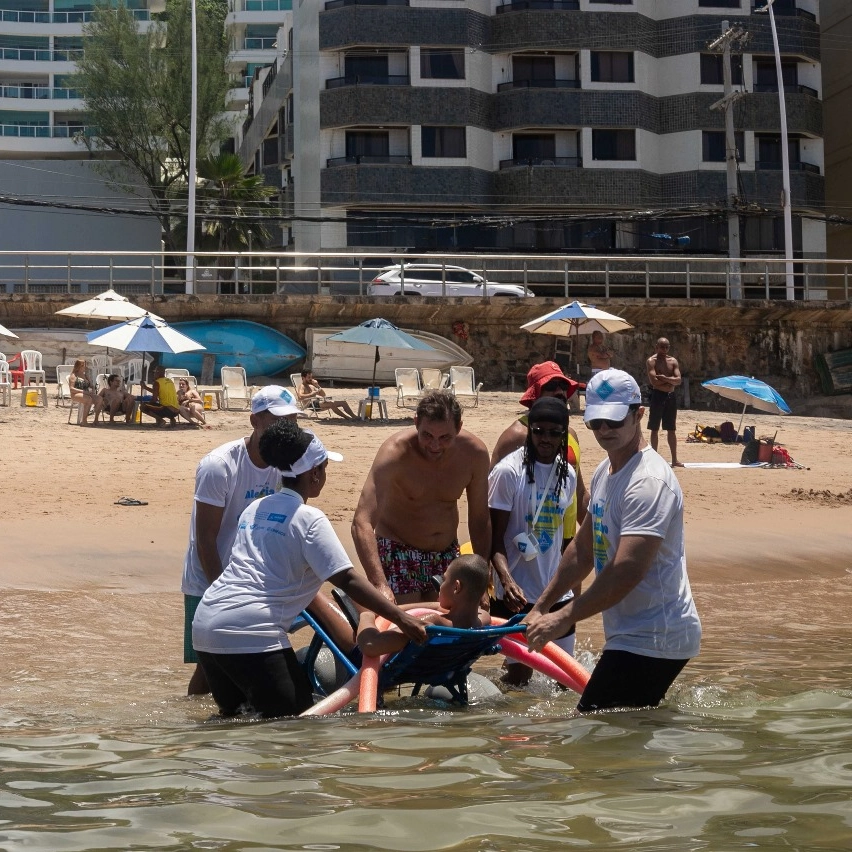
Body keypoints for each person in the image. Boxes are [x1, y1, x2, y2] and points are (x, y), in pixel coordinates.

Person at [192, 419, 427, 718]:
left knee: (235, 720)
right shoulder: (309, 519)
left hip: (207, 622)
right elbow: (347, 579)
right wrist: (402, 618)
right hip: (251, 631)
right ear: (314, 474)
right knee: (295, 727)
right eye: (325, 468)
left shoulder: (255, 508)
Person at [525, 369, 701, 712]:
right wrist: (542, 606)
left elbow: (626, 571)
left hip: (656, 635)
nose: (605, 431)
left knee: (593, 726)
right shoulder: (604, 471)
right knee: (616, 731)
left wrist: (561, 619)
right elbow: (583, 548)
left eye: (614, 421)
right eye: (596, 423)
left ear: (639, 414)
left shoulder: (648, 482)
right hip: (631, 632)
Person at [181, 384, 304, 696]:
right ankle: (191, 725)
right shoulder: (219, 465)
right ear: (255, 422)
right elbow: (205, 539)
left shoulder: (286, 466)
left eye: (291, 421)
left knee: (237, 663)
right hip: (208, 577)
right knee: (208, 667)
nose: (286, 428)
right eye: (277, 421)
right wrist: (221, 594)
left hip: (253, 579)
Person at [352, 390, 491, 604]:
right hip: (399, 549)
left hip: (446, 553)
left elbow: (480, 520)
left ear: (459, 428)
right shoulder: (395, 453)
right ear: (416, 422)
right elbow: (362, 522)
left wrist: (480, 579)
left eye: (445, 437)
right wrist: (380, 585)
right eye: (427, 435)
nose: (435, 446)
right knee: (410, 625)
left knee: (448, 625)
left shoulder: (475, 454)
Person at [489, 397, 579, 685]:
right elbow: (493, 539)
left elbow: (566, 540)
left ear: (563, 436)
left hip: (555, 594)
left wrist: (571, 587)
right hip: (516, 596)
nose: (545, 438)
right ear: (529, 431)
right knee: (518, 680)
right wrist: (505, 580)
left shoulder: (569, 475)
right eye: (539, 431)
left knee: (565, 682)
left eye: (554, 433)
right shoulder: (508, 473)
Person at [490, 361, 586, 547]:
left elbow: (580, 493)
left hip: (565, 539)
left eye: (563, 385)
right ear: (534, 394)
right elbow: (492, 497)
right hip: (524, 542)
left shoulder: (569, 434)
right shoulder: (517, 436)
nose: (560, 392)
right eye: (551, 386)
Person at [356, 554, 491, 658]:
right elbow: (438, 606)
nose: (440, 585)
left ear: (456, 587)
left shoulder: (433, 623)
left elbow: (371, 645)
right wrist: (391, 610)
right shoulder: (483, 619)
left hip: (394, 669)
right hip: (444, 665)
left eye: (444, 579)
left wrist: (367, 615)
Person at [646, 337, 683, 467]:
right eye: (662, 347)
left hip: (670, 396)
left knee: (671, 428)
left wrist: (665, 378)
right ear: (656, 347)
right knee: (654, 428)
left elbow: (678, 380)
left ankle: (674, 459)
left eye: (667, 347)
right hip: (657, 395)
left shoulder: (672, 361)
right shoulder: (652, 361)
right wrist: (670, 381)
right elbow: (654, 382)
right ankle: (654, 457)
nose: (664, 349)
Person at [68, 358, 99, 425]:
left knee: (100, 399)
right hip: (76, 394)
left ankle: (96, 420)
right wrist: (83, 392)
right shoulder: (73, 376)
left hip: (87, 393)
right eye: (83, 365)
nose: (85, 367)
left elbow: (91, 385)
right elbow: (71, 389)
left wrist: (93, 388)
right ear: (79, 366)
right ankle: (84, 421)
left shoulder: (85, 375)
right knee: (88, 399)